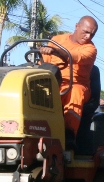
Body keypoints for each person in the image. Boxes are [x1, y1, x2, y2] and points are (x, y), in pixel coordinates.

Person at [39, 15, 98, 143]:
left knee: (75, 91)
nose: (88, 37)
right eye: (86, 32)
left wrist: (56, 51)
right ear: (77, 26)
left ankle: (69, 135)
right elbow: (44, 65)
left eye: (92, 34)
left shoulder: (90, 49)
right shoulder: (57, 39)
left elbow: (72, 55)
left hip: (78, 85)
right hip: (54, 83)